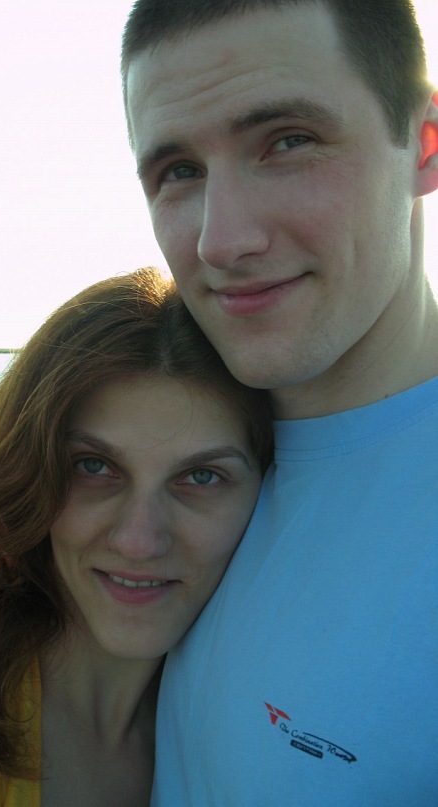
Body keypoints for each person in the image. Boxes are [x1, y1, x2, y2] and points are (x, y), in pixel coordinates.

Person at [121, 0, 438, 804]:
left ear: (424, 144)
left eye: (287, 141)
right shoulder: (164, 461)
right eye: (178, 171)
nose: (220, 241)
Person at [0, 267, 272, 806]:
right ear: (27, 474)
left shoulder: (257, 727)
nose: (138, 541)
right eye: (93, 466)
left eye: (201, 477)